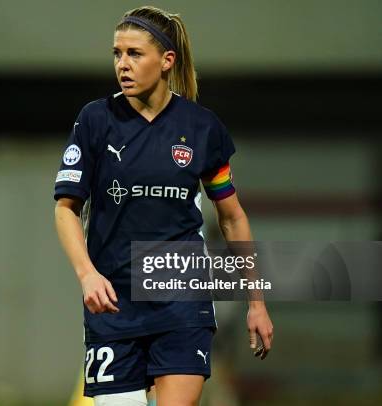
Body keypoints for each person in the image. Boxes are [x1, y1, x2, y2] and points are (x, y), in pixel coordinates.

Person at [54, 6, 274, 406]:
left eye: (134, 54)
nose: (123, 64)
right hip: (115, 305)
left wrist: (255, 303)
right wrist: (87, 274)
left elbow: (232, 218)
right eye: (117, 53)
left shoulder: (202, 128)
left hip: (181, 301)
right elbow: (66, 208)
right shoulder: (95, 120)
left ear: (166, 60)